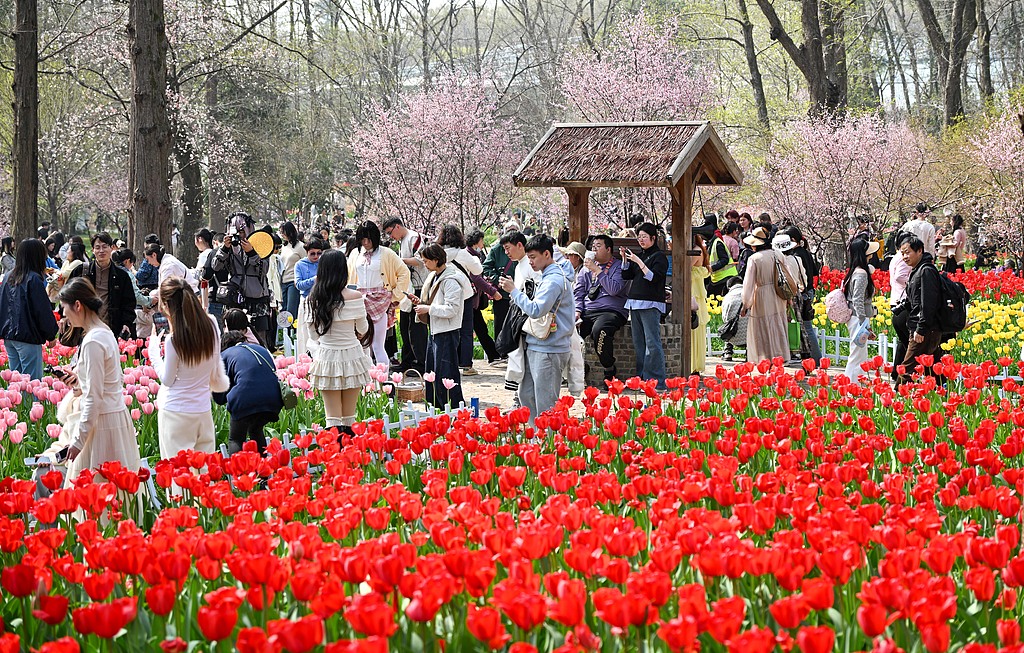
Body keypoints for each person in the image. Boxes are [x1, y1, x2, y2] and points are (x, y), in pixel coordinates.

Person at [56, 279, 142, 486]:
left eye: (64, 308)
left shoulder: (93, 341)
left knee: (93, 495)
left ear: (78, 305)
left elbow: (94, 397)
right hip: (116, 419)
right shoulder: (105, 333)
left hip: (101, 426)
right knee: (119, 492)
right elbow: (108, 382)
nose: (63, 315)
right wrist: (78, 384)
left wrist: (77, 442)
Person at [149, 277, 229, 460]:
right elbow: (215, 360)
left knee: (179, 475)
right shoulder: (211, 324)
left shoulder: (174, 340)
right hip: (202, 409)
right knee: (204, 471)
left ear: (167, 306)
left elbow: (168, 380)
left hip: (175, 412)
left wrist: (154, 352)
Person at [498, 235, 574, 422]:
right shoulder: (547, 275)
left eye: (533, 257)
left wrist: (513, 291)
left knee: (546, 405)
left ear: (547, 254)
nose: (530, 262)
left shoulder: (553, 280)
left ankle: (548, 446)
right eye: (529, 257)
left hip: (549, 348)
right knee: (527, 397)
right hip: (537, 345)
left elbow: (536, 310)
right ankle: (534, 445)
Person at [306, 249, 372, 431]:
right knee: (350, 418)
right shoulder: (355, 297)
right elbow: (363, 329)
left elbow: (313, 336)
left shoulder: (313, 299)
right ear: (344, 271)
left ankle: (333, 455)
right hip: (352, 355)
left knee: (332, 419)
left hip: (327, 357)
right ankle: (351, 456)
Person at [414, 244, 472, 409]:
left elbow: (452, 309)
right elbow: (436, 301)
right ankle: (436, 408)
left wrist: (428, 309)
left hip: (446, 332)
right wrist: (421, 303)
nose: (424, 264)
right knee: (432, 372)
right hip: (436, 330)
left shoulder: (451, 279)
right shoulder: (436, 275)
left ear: (436, 260)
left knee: (446, 374)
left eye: (426, 261)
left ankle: (452, 409)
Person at [347, 221, 410, 367]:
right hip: (359, 300)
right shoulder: (355, 253)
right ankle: (366, 383)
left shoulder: (386, 253)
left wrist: (394, 296)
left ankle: (382, 383)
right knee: (362, 345)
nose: (366, 242)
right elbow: (348, 275)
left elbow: (404, 273)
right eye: (363, 239)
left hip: (380, 300)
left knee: (377, 345)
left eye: (369, 239)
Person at [214, 330, 284, 455]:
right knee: (256, 429)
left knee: (236, 439)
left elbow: (219, 394)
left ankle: (239, 473)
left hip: (244, 399)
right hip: (273, 398)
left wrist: (224, 397)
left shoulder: (225, 355)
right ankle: (264, 471)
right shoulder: (260, 349)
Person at [0, 239, 59, 379]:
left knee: (16, 382)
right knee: (32, 382)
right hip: (28, 336)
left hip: (10, 336)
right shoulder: (33, 279)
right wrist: (50, 334)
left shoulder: (9, 276)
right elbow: (42, 310)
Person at [212, 213, 274, 347]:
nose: (239, 235)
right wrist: (224, 248)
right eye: (235, 231)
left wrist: (251, 252)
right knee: (233, 338)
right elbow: (215, 266)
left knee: (258, 339)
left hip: (256, 298)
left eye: (242, 231)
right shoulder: (228, 247)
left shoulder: (260, 243)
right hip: (234, 299)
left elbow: (264, 270)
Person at [620, 223, 669, 390]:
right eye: (639, 236)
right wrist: (626, 259)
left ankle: (656, 381)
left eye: (644, 237)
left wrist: (639, 262)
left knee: (652, 342)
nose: (641, 240)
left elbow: (653, 278)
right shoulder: (639, 255)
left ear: (653, 238)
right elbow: (627, 275)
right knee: (639, 342)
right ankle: (641, 378)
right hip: (635, 303)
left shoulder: (659, 257)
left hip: (651, 303)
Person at [574, 234, 629, 382]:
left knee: (600, 331)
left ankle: (609, 368)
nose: (594, 250)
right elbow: (578, 292)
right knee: (569, 331)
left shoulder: (619, 267)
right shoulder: (585, 269)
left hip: (611, 311)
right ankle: (577, 368)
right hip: (588, 311)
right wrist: (577, 311)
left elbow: (614, 289)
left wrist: (597, 271)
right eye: (593, 247)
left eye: (598, 246)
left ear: (608, 249)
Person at [67, 233, 138, 339]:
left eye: (105, 247)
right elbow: (68, 295)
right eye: (97, 247)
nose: (101, 251)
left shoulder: (121, 276)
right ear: (93, 250)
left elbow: (129, 303)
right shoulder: (81, 271)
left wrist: (126, 323)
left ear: (111, 248)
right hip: (85, 330)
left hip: (111, 329)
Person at [437, 225, 485, 377]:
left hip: (444, 296)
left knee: (449, 329)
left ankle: (449, 362)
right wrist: (476, 259)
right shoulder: (462, 253)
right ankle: (465, 364)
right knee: (465, 331)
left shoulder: (439, 253)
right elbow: (478, 270)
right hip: (464, 295)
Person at [740, 226, 792, 364]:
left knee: (763, 326)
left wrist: (746, 304)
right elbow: (788, 275)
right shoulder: (778, 254)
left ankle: (765, 357)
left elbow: (749, 284)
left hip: (762, 294)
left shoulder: (755, 259)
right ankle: (780, 356)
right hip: (778, 293)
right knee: (777, 324)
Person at [383, 217, 428, 373]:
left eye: (390, 232)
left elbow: (420, 260)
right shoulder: (403, 240)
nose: (391, 237)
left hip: (418, 286)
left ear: (397, 226)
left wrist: (398, 261)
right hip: (406, 288)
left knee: (417, 329)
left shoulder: (414, 237)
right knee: (405, 328)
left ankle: (421, 362)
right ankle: (408, 360)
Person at [898, 235, 944, 383]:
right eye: (902, 253)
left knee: (907, 369)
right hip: (924, 327)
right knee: (935, 370)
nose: (905, 256)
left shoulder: (926, 271)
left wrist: (921, 328)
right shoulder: (917, 270)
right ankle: (944, 397)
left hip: (925, 329)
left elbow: (928, 302)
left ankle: (895, 401)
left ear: (919, 251)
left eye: (907, 252)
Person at [782, 226, 823, 365]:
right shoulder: (805, 252)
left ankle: (815, 360)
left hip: (799, 293)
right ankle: (814, 359)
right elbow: (814, 272)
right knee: (807, 327)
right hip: (808, 291)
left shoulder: (794, 256)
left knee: (805, 328)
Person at [841, 238, 878, 382]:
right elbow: (858, 300)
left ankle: (855, 382)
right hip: (858, 319)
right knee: (857, 355)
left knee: (859, 354)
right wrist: (865, 324)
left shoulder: (854, 271)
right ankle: (849, 384)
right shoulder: (861, 274)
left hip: (856, 318)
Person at [466, 230, 503, 365]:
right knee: (477, 329)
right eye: (482, 240)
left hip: (472, 300)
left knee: (479, 328)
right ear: (477, 241)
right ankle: (492, 354)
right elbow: (476, 278)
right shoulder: (470, 256)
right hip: (469, 300)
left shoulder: (474, 254)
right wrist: (492, 291)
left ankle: (493, 354)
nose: (483, 243)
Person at [483, 224, 520, 352]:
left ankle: (515, 351)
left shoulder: (522, 249)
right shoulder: (497, 249)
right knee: (501, 324)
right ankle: (501, 352)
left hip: (518, 293)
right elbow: (486, 267)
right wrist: (497, 279)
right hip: (502, 294)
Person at [772, 233, 807, 361]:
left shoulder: (775, 261)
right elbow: (805, 279)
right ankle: (797, 350)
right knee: (797, 322)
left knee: (781, 322)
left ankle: (782, 351)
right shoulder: (797, 259)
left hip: (779, 295)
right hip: (795, 293)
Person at [889, 231, 914, 380]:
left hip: (896, 298)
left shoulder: (896, 256)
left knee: (902, 341)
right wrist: (913, 283)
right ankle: (903, 373)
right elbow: (899, 277)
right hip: (903, 299)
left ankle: (896, 371)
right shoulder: (904, 258)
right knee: (907, 341)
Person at [294, 238, 325, 357]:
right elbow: (298, 285)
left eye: (319, 253)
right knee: (305, 334)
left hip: (322, 301)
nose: (316, 256)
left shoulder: (323, 263)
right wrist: (314, 280)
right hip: (307, 300)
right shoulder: (300, 264)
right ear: (306, 252)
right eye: (312, 253)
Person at [691, 234, 711, 374]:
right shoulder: (698, 249)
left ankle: (693, 365)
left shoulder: (696, 250)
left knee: (695, 330)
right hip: (695, 291)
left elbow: (683, 267)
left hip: (694, 293)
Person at [279, 221, 305, 319]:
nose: (282, 235)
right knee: (284, 309)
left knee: (291, 310)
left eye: (283, 232)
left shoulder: (300, 246)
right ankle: (285, 332)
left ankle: (292, 332)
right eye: (281, 232)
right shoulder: (284, 246)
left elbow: (305, 262)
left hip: (293, 281)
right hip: (283, 280)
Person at [720, 277, 747, 361]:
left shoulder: (727, 297)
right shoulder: (748, 294)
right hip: (749, 338)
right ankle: (749, 354)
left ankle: (728, 352)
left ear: (729, 287)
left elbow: (724, 318)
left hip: (732, 335)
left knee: (727, 325)